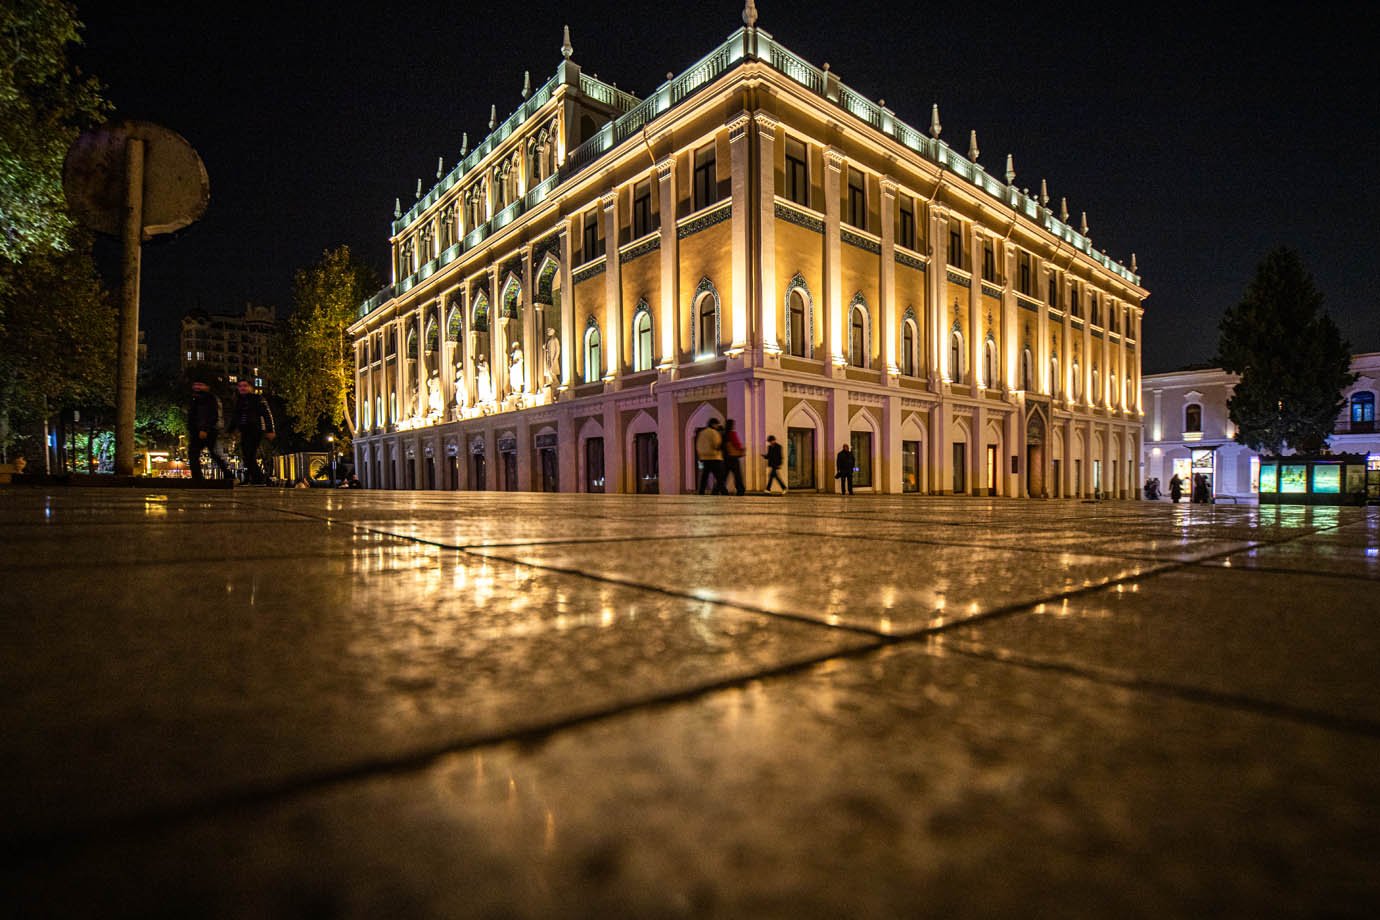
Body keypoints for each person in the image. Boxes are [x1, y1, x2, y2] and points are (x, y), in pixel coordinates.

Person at [226, 380, 276, 485]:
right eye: (240, 386)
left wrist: (270, 430)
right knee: (247, 455)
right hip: (245, 430)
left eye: (245, 386)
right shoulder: (239, 401)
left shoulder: (258, 399)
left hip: (256, 429)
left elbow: (267, 414)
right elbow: (236, 417)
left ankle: (259, 478)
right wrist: (230, 430)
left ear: (251, 388)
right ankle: (252, 478)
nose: (242, 388)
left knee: (249, 454)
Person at [188, 377, 234, 482]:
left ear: (207, 387)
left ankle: (198, 478)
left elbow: (211, 415)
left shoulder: (209, 398)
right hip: (199, 431)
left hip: (206, 431)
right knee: (202, 453)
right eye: (196, 384)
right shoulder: (196, 398)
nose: (197, 387)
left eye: (200, 384)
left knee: (202, 453)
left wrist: (204, 429)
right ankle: (198, 477)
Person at [695, 419, 725, 495]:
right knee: (719, 477)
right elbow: (716, 445)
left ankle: (701, 492)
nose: (718, 426)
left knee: (704, 477)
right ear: (713, 424)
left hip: (704, 458)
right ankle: (724, 492)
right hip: (714, 457)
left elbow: (698, 445)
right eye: (717, 424)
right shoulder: (714, 433)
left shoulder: (702, 433)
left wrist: (700, 455)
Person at [721, 418, 746, 496]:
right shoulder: (732, 434)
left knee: (724, 476)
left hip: (726, 458)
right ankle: (740, 490)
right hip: (733, 458)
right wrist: (741, 450)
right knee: (737, 475)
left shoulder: (723, 434)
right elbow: (737, 444)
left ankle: (718, 489)